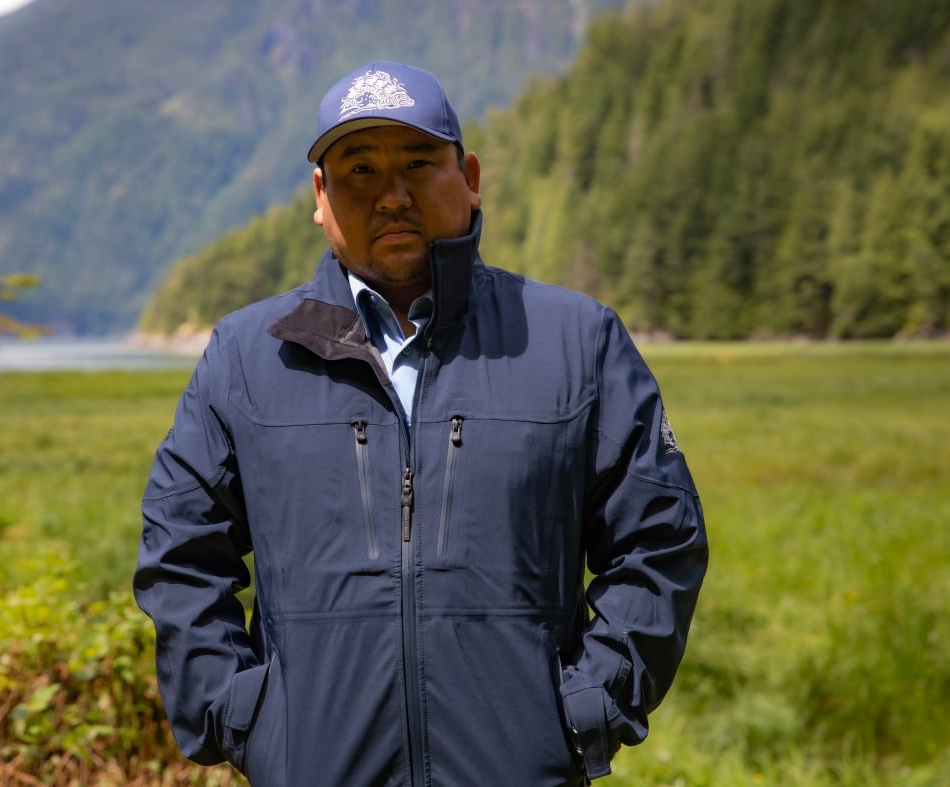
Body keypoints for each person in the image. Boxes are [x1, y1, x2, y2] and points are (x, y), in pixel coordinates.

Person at [134, 61, 708, 786]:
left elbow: (661, 539)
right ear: (321, 196)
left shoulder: (574, 340)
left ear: (468, 176)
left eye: (417, 162)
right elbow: (181, 551)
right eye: (360, 169)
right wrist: (242, 714)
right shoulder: (247, 357)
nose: (391, 195)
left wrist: (590, 704)